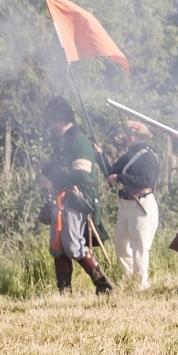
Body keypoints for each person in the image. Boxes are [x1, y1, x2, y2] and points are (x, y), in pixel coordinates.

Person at [40, 96, 113, 295]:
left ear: (61, 120)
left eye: (52, 121)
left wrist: (53, 181)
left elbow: (81, 174)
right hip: (60, 199)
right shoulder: (62, 142)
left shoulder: (79, 141)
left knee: (73, 246)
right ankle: (64, 292)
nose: (50, 126)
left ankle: (103, 285)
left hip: (76, 199)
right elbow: (58, 168)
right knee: (57, 247)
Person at [106, 121, 160, 290]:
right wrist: (100, 155)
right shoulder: (129, 156)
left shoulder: (148, 157)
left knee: (140, 248)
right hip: (126, 204)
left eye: (132, 134)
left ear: (139, 136)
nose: (128, 137)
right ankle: (130, 280)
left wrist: (121, 178)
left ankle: (141, 285)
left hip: (141, 203)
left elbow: (147, 181)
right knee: (121, 246)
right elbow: (111, 172)